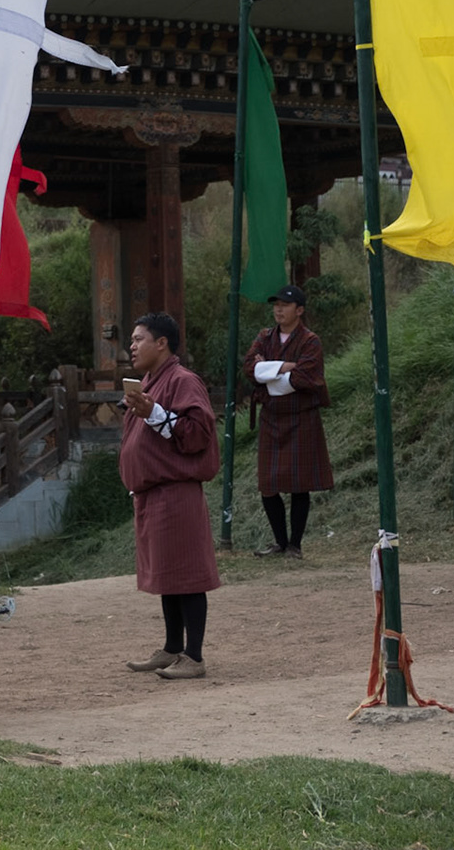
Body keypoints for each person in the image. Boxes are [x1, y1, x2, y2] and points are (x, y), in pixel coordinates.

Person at [120, 312, 221, 680]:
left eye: (139, 338)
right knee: (168, 575)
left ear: (162, 343)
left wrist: (155, 413)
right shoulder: (150, 381)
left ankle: (193, 656)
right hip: (152, 493)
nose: (132, 346)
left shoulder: (182, 380)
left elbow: (197, 434)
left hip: (176, 492)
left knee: (187, 575)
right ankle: (172, 647)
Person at [241, 284, 332, 559]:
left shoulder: (310, 341)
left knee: (298, 483)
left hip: (301, 416)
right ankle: (280, 542)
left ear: (299, 310)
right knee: (268, 483)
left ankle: (295, 544)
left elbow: (306, 377)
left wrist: (266, 371)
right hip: (271, 417)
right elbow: (249, 368)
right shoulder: (264, 336)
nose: (278, 309)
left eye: (285, 305)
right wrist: (284, 367)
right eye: (276, 304)